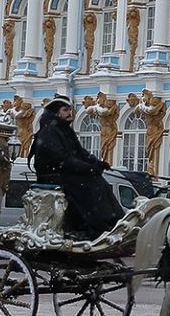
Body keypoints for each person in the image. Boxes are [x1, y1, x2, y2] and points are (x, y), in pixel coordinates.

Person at [30, 98, 124, 240]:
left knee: (99, 182)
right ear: (56, 113)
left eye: (70, 109)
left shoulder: (64, 130)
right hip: (54, 176)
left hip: (64, 173)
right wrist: (86, 168)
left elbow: (80, 152)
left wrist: (97, 163)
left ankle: (113, 221)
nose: (70, 113)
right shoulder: (49, 132)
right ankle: (94, 227)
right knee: (90, 185)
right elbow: (61, 158)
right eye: (65, 110)